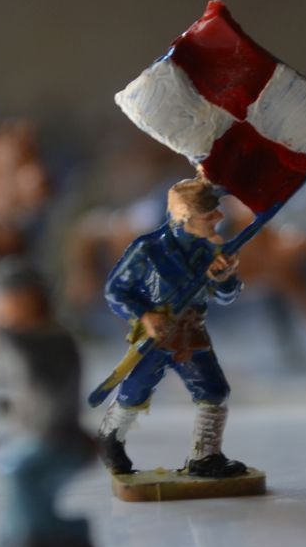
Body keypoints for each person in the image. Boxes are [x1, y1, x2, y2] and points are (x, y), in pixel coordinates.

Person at [0, 258, 98, 547]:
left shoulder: (49, 342)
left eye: (10, 303)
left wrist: (2, 349)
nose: (2, 313)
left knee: (18, 472)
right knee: (17, 475)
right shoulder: (17, 341)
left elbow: (37, 394)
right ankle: (28, 540)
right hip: (41, 433)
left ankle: (40, 543)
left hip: (57, 437)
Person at [96, 178, 247, 478]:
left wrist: (225, 278)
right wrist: (145, 316)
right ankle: (109, 439)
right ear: (186, 218)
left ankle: (205, 456)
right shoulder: (148, 250)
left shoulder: (212, 251)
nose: (220, 217)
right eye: (209, 214)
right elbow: (116, 291)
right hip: (157, 336)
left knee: (214, 391)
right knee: (135, 391)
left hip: (191, 334)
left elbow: (227, 295)